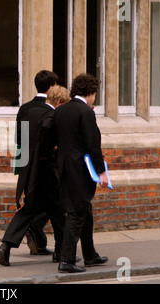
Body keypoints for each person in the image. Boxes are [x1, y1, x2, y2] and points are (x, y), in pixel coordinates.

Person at [0, 71, 66, 266]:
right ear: (52, 86)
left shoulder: (25, 108)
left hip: (30, 167)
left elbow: (20, 140)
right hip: (48, 166)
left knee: (29, 207)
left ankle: (6, 246)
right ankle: (61, 252)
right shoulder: (54, 108)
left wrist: (22, 170)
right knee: (58, 208)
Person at [54, 73, 109, 273]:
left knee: (85, 211)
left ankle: (90, 255)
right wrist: (102, 172)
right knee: (77, 213)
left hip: (64, 168)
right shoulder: (85, 112)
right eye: (95, 93)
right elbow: (92, 145)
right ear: (91, 93)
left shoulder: (61, 110)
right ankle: (66, 260)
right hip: (80, 170)